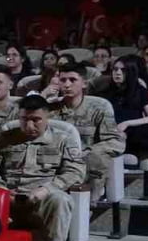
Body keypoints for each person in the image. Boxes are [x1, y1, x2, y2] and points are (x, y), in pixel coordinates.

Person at [0, 95, 86, 241]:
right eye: (24, 119)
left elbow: (75, 171)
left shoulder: (62, 139)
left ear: (47, 117)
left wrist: (48, 189)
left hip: (42, 200)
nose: (29, 125)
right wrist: (2, 190)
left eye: (36, 120)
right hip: (9, 198)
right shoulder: (6, 139)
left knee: (60, 200)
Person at [50, 62, 123, 200]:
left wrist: (88, 151)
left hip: (85, 162)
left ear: (84, 83)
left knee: (95, 157)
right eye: (63, 80)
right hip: (56, 160)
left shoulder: (99, 107)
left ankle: (89, 201)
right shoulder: (50, 108)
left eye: (72, 80)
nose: (67, 85)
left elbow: (115, 140)